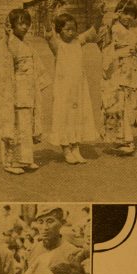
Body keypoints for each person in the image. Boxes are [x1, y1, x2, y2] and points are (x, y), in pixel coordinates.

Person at [0, 8, 44, 175]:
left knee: (25, 127)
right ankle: (9, 161)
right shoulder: (6, 44)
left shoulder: (26, 44)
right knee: (12, 125)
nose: (25, 27)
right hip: (13, 90)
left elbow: (36, 65)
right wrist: (6, 40)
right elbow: (3, 64)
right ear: (12, 25)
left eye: (27, 23)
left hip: (27, 90)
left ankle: (25, 159)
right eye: (21, 23)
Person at [98, 0, 137, 155]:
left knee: (128, 104)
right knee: (118, 103)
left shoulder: (132, 32)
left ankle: (125, 139)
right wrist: (108, 23)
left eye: (131, 15)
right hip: (118, 69)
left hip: (130, 71)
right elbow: (104, 45)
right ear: (118, 14)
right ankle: (125, 140)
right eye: (125, 13)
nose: (128, 17)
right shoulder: (113, 28)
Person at [44, 12, 98, 164]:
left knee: (78, 116)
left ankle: (76, 148)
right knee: (64, 116)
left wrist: (99, 16)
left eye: (74, 29)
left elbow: (92, 32)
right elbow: (49, 34)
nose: (71, 32)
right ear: (59, 30)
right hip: (64, 90)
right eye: (67, 29)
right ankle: (66, 149)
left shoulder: (77, 42)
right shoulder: (58, 46)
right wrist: (48, 21)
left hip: (79, 89)